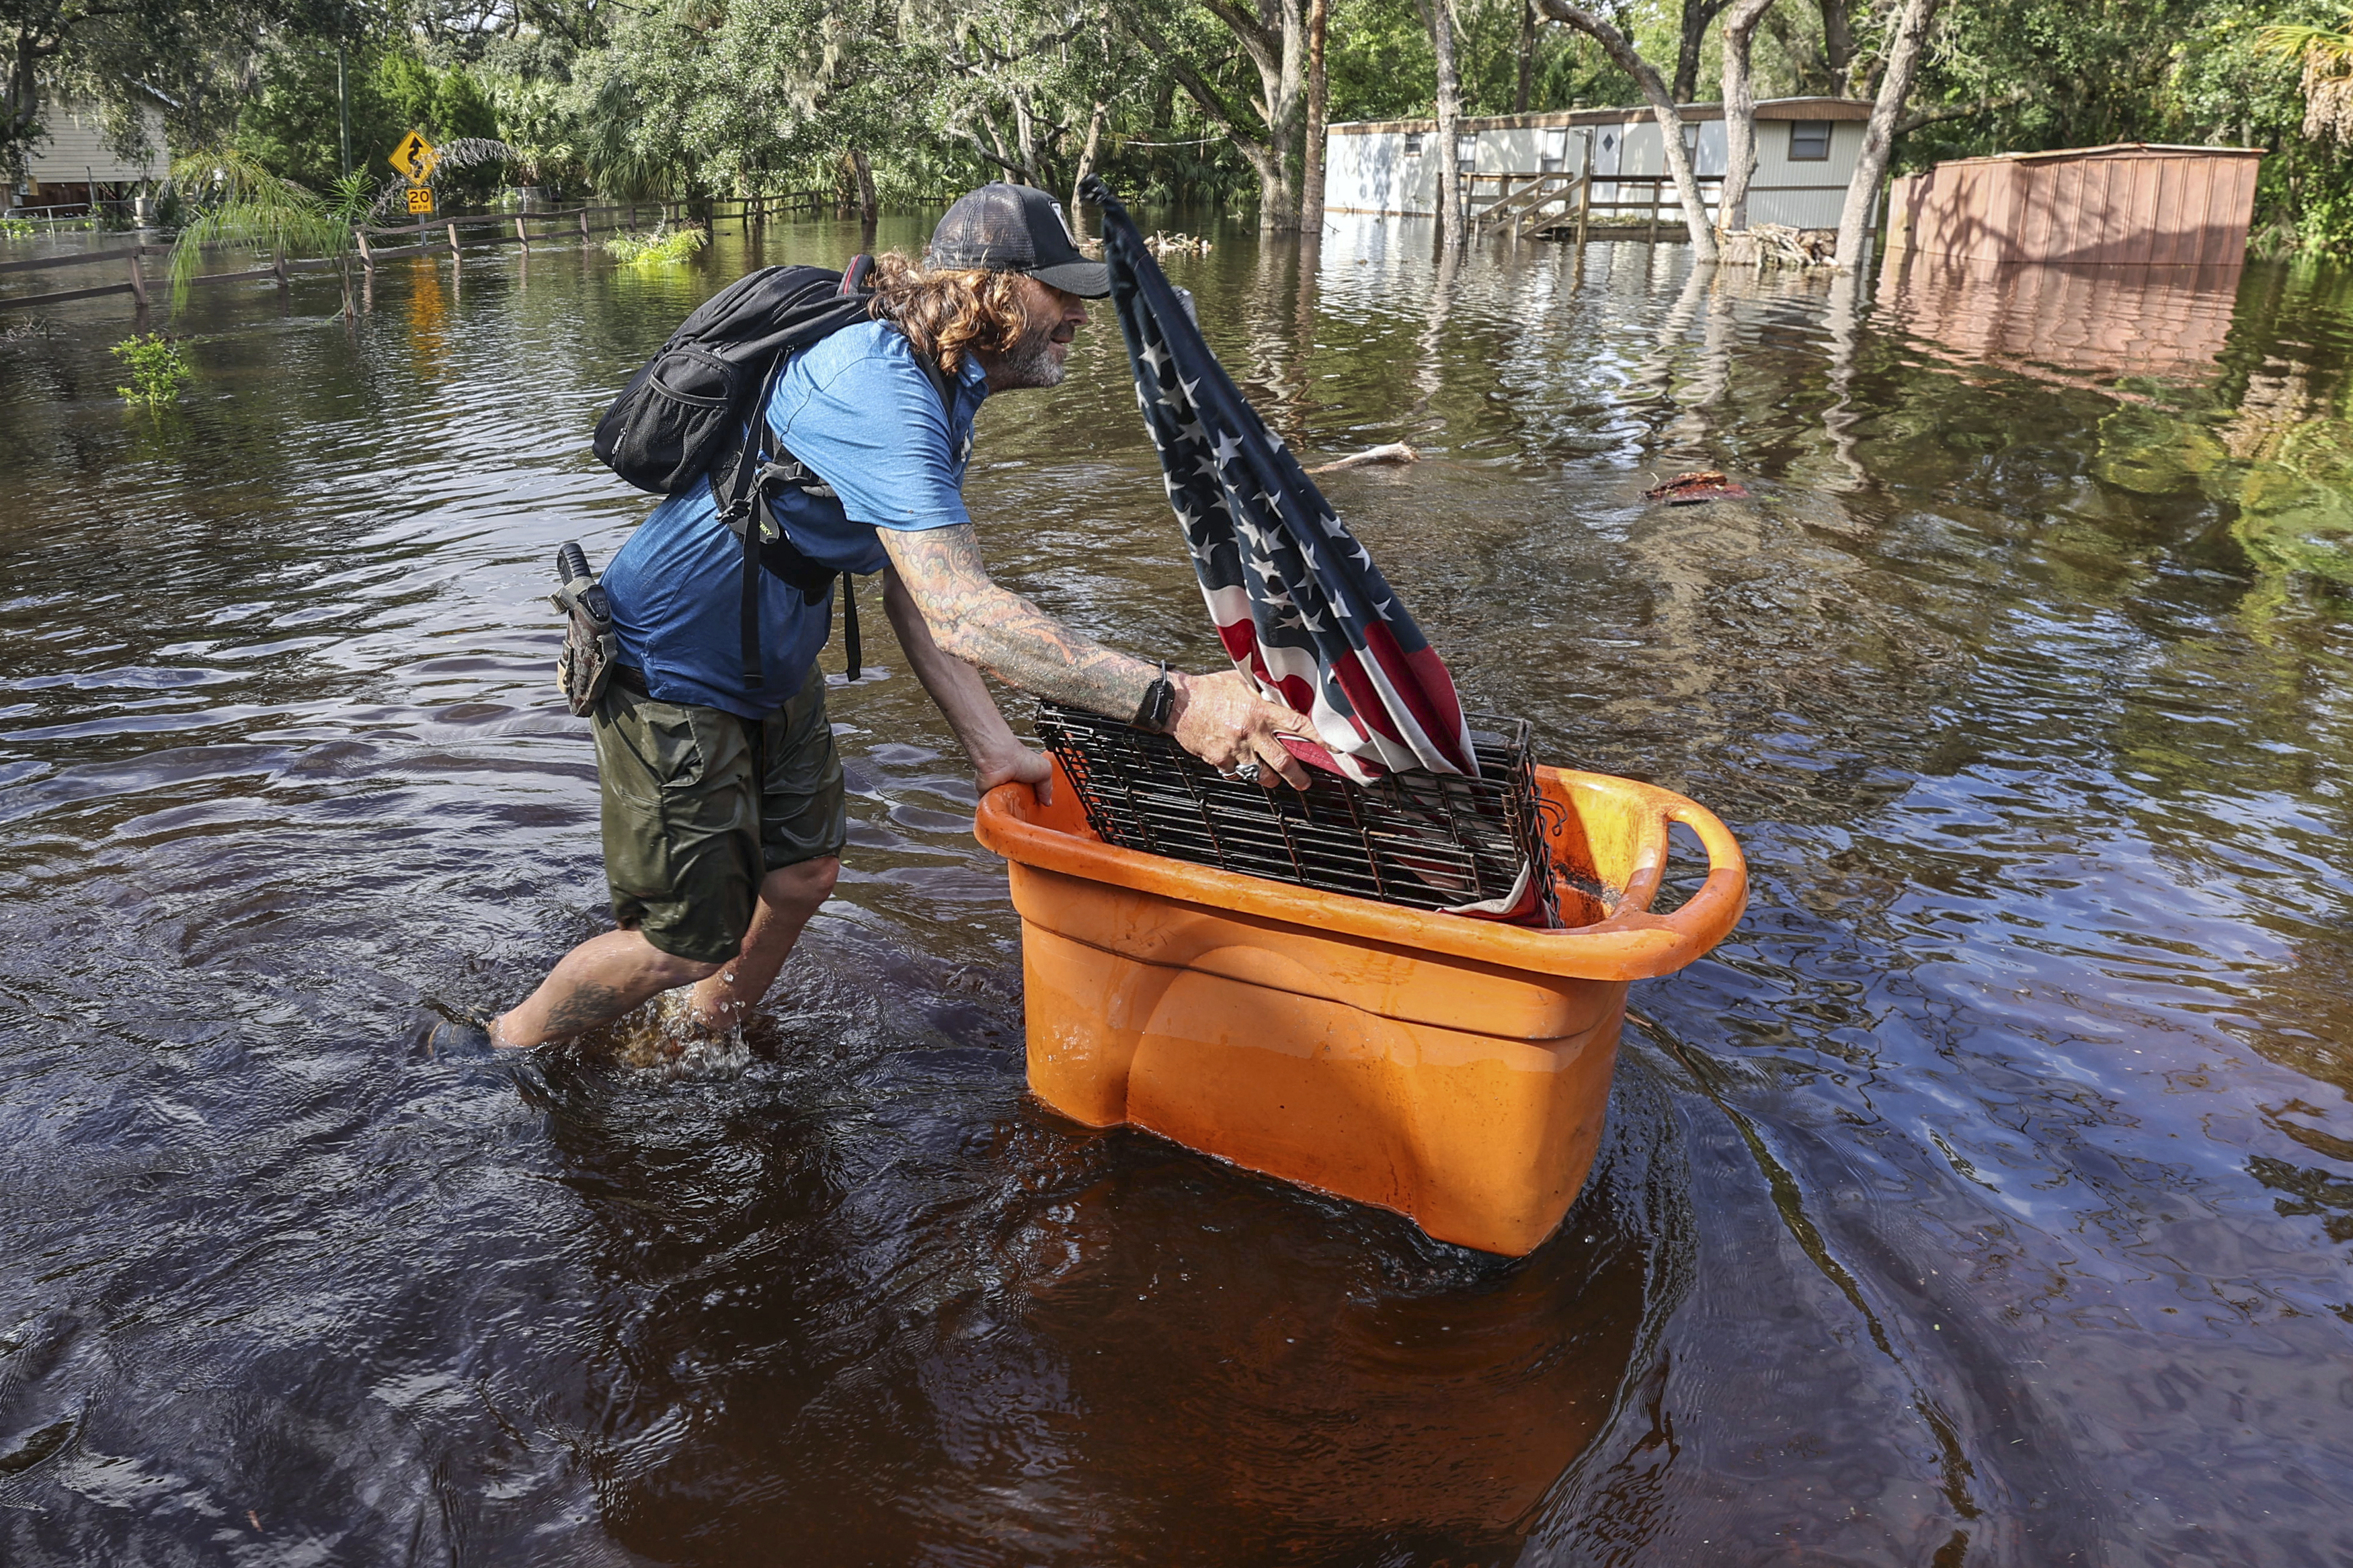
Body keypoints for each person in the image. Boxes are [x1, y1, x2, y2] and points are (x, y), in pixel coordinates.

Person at [491, 183, 1312, 1050]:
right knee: (682, 941)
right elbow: (966, 612)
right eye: (1060, 291)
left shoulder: (944, 381)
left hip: (768, 662)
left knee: (804, 875)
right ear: (992, 293)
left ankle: (706, 1038)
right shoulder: (879, 383)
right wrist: (1180, 703)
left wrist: (990, 747)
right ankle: (501, 1045)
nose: (1080, 313)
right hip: (667, 667)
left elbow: (917, 595)